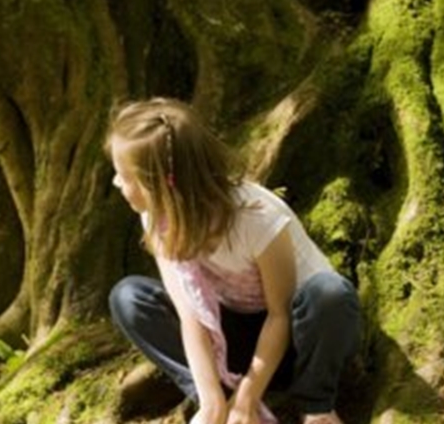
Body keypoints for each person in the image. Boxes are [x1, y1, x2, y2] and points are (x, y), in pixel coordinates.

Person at [106, 98, 360, 424]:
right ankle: (219, 400)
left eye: (124, 176)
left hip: (299, 337)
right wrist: (214, 402)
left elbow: (279, 315)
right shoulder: (157, 217)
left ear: (160, 186)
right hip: (232, 340)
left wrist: (250, 394)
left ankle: (316, 405)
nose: (117, 183)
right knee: (129, 298)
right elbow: (191, 317)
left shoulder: (256, 219)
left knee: (330, 294)